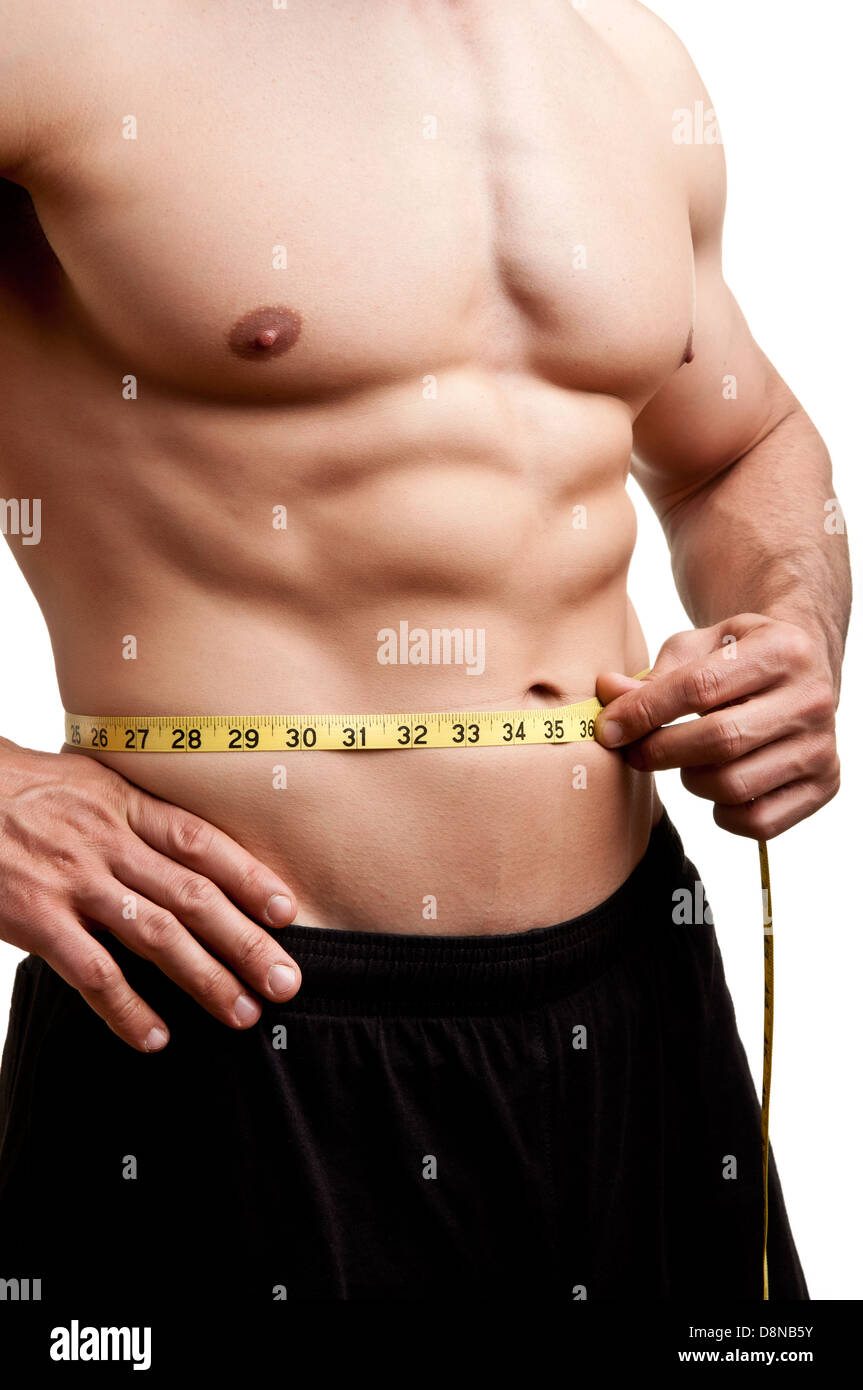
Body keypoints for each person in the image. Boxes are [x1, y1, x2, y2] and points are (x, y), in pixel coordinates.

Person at [0, 0, 847, 1305]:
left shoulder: (622, 59)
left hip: (639, 1004)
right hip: (224, 1014)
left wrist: (793, 622)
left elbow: (741, 443)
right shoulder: (57, 37)